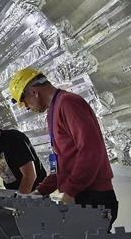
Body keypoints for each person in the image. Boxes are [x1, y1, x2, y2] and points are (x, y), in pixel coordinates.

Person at [7, 67, 118, 218]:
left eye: (24, 101)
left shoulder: (69, 103)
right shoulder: (53, 112)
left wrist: (71, 191)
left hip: (95, 198)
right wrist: (39, 192)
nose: (26, 107)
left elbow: (91, 150)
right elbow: (63, 163)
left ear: (34, 91)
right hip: (81, 196)